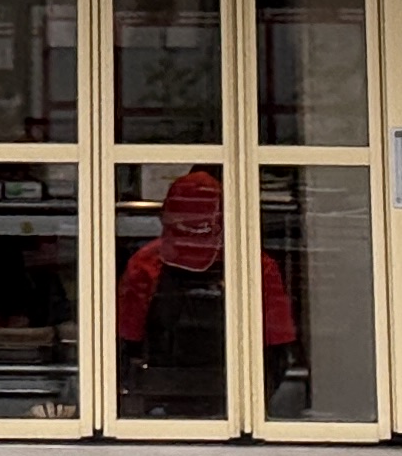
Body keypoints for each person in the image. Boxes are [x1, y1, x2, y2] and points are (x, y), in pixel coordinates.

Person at [115, 168, 294, 417]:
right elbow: (276, 347)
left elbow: (125, 342)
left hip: (166, 398)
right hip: (229, 398)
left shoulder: (144, 263)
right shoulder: (255, 264)